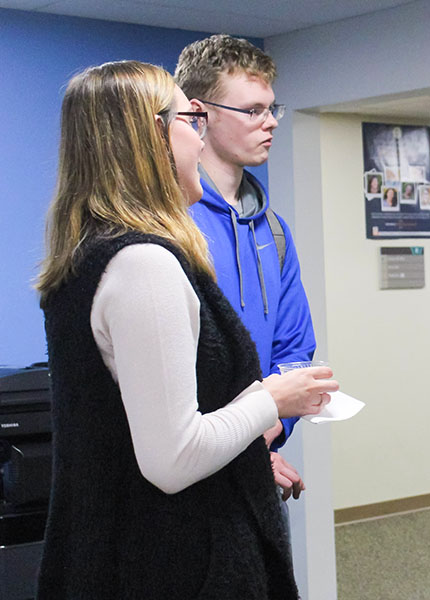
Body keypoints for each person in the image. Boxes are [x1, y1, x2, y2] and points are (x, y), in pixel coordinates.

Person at [34, 61, 337, 598]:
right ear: (148, 136)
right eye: (190, 120)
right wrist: (273, 399)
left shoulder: (93, 257)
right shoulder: (143, 265)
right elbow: (172, 460)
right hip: (173, 561)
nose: (200, 141)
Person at [175, 34, 315, 500]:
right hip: (187, 468)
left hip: (258, 454)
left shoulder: (273, 230)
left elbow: (294, 348)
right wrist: (237, 439)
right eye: (253, 111)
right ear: (201, 113)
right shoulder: (171, 224)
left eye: (272, 108)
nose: (270, 122)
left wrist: (266, 432)